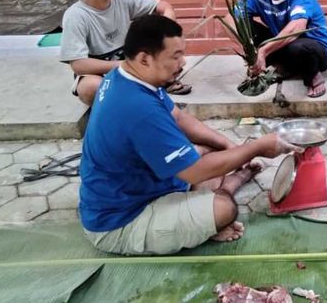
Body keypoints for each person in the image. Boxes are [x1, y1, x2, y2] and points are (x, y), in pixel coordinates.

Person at [79, 15, 302, 255]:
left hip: (140, 184)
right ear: (144, 58)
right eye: (175, 56)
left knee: (213, 151)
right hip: (121, 222)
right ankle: (229, 189)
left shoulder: (126, 77)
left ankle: (219, 190)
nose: (183, 62)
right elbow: (194, 171)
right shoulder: (138, 108)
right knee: (224, 209)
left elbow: (178, 117)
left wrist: (229, 145)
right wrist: (257, 147)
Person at [60, 0, 191, 105]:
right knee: (89, 88)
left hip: (131, 67)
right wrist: (123, 65)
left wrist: (165, 37)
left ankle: (145, 87)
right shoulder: (75, 15)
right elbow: (79, 65)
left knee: (161, 47)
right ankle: (136, 95)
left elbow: (163, 7)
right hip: (102, 73)